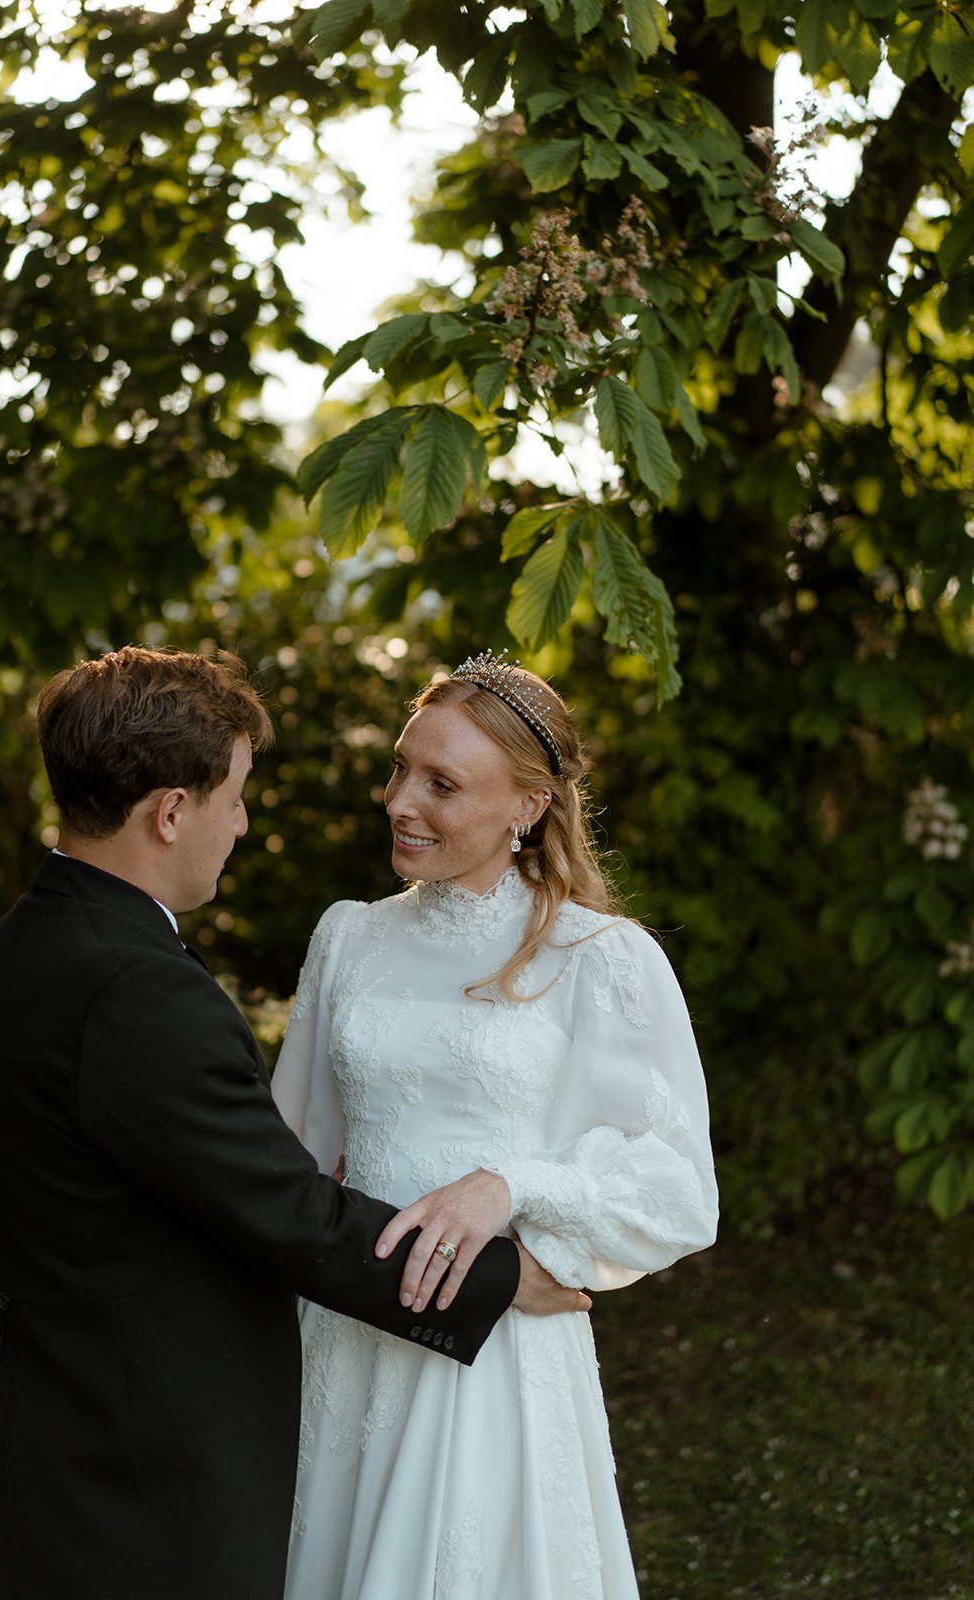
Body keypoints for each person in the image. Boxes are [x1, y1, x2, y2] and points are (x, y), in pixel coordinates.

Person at [0, 645, 580, 1600]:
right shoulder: (135, 988)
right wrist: (498, 1273)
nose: (240, 823)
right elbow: (282, 1207)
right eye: (234, 795)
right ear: (169, 811)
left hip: (36, 1420)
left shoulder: (17, 947)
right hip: (127, 1466)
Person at [272, 648, 719, 1600]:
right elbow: (289, 1160)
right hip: (343, 1334)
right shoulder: (346, 933)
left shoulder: (598, 957)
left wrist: (514, 1186)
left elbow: (679, 1188)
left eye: (441, 784)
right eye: (400, 768)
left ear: (528, 806)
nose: (400, 801)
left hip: (496, 1344)